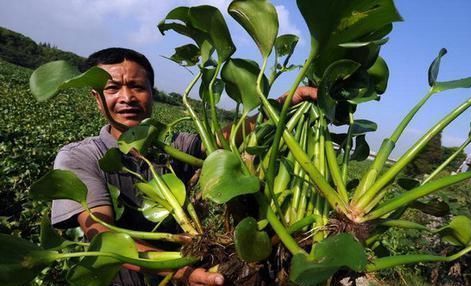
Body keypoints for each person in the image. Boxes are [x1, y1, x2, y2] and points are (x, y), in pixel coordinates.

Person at [51, 47, 317, 285]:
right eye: (112, 89)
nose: (127, 97)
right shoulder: (79, 157)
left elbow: (222, 140)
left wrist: (284, 104)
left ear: (151, 94)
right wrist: (181, 272)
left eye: (137, 87)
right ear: (97, 98)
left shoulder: (176, 145)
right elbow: (101, 232)